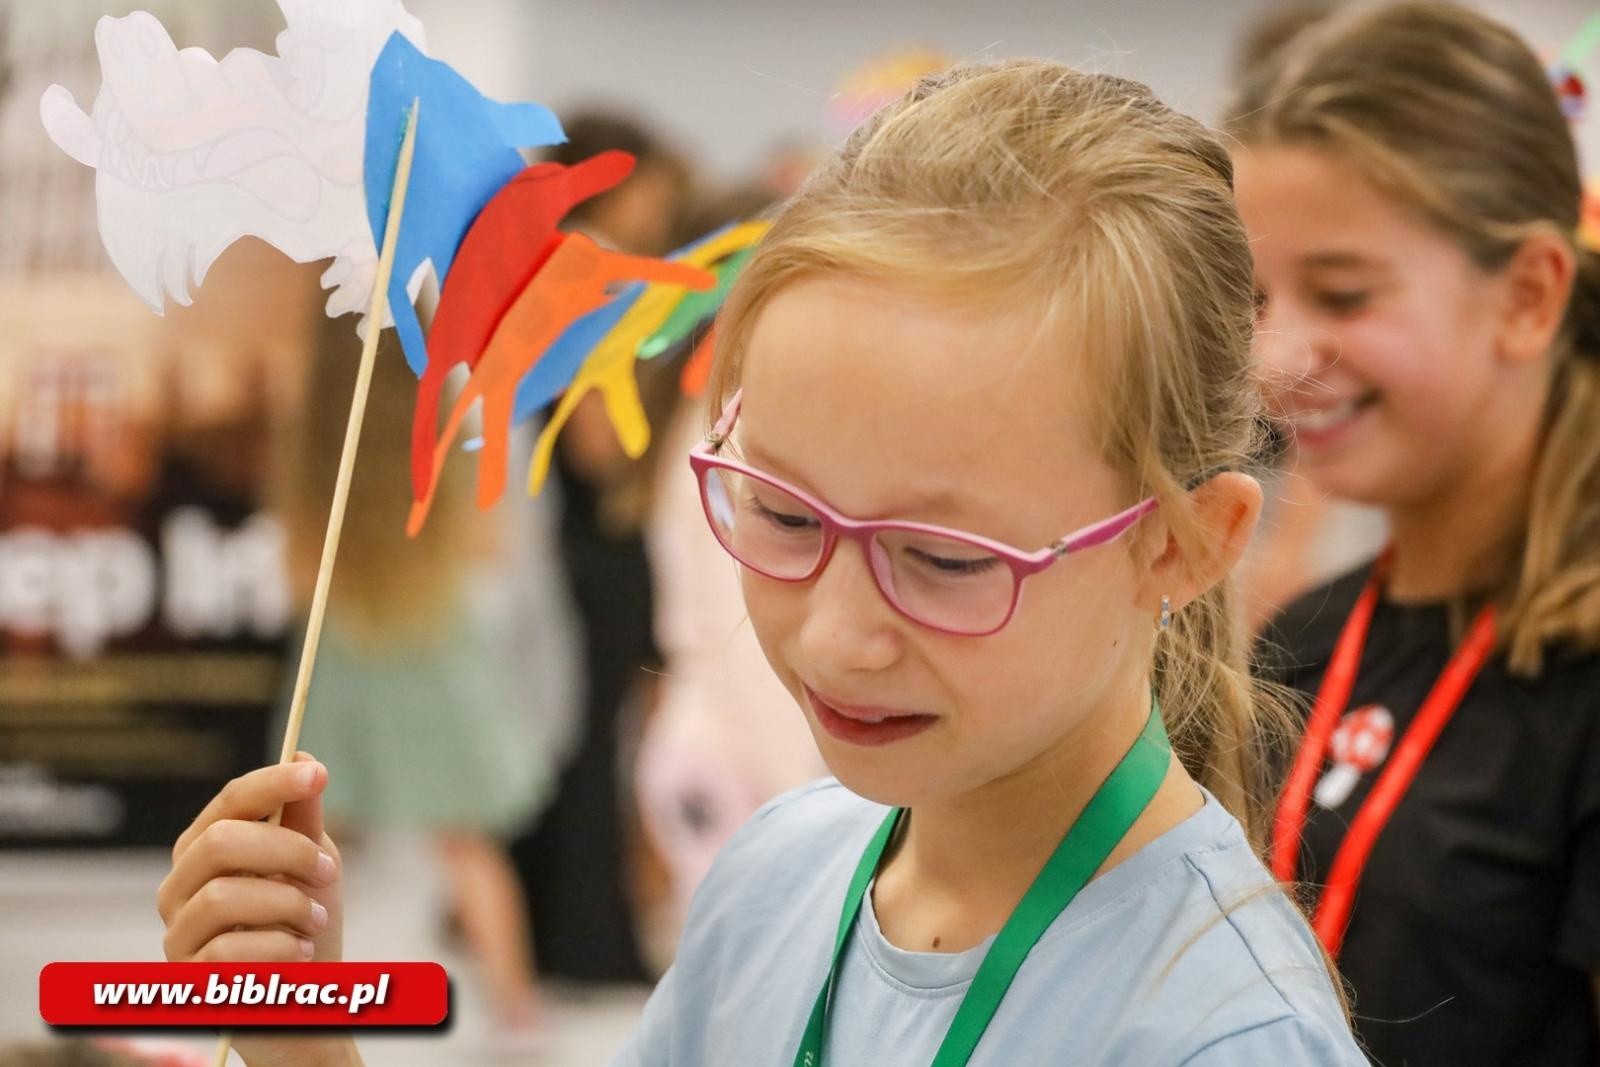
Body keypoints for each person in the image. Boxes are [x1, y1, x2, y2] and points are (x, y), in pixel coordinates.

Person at [154, 60, 1364, 1065]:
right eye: (781, 515)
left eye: (942, 557)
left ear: (1181, 544)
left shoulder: (1219, 1033)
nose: (835, 635)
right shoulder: (783, 869)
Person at [1230, 3, 1600, 1063]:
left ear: (1526, 296)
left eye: (1342, 293)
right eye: (1257, 301)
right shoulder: (1300, 642)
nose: (1280, 357)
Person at [272, 316, 548, 1031]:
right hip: (433, 642)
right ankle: (516, 1007)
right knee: (466, 842)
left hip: (348, 645)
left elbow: (297, 565)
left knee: (310, 834)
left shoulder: (313, 435)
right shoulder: (449, 418)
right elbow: (490, 547)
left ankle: (287, 988)